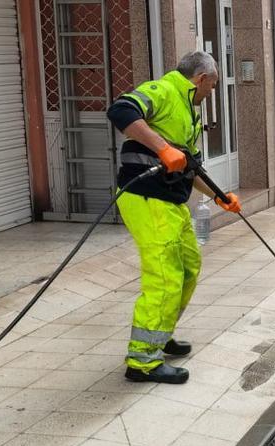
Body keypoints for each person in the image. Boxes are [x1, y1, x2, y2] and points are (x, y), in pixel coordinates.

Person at [106, 51, 241, 384]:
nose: (212, 92)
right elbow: (120, 110)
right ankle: (142, 361)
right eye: (212, 85)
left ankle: (160, 333)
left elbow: (190, 166)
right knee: (165, 275)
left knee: (189, 266)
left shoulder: (187, 111)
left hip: (171, 201)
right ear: (200, 79)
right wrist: (162, 148)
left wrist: (219, 197)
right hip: (146, 197)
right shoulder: (164, 91)